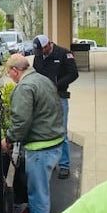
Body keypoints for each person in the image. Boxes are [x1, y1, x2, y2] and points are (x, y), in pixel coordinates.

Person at [2, 54, 64, 213]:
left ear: (15, 70)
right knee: (42, 191)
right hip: (54, 142)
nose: (10, 78)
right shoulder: (42, 79)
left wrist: (9, 139)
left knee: (38, 194)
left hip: (40, 147)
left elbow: (21, 122)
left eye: (9, 74)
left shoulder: (25, 87)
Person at [32, 34, 78, 180]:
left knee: (61, 132)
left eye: (42, 50)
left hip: (59, 98)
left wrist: (55, 84)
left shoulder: (64, 54)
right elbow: (35, 72)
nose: (40, 54)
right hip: (42, 99)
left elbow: (73, 74)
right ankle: (52, 163)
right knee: (46, 131)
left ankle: (64, 165)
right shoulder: (39, 56)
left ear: (48, 45)